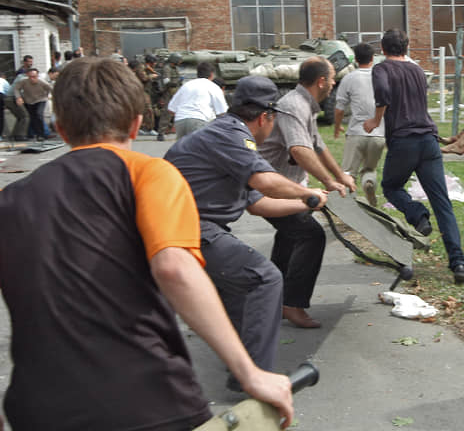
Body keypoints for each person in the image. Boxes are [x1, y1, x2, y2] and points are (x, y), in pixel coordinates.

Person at [0, 58, 295, 430]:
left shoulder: (10, 200)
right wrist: (250, 373)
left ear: (60, 129)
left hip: (38, 406)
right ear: (137, 124)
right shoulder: (151, 174)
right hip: (144, 395)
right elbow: (174, 268)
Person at [165, 75, 327, 387]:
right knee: (265, 278)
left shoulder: (227, 137)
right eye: (274, 120)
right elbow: (266, 182)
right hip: (187, 228)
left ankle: (242, 368)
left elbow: (260, 204)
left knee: (242, 288)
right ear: (266, 116)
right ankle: (258, 377)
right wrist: (304, 193)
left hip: (186, 226)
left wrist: (309, 204)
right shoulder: (231, 134)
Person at [363, 29, 464, 285]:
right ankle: (458, 263)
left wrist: (374, 121)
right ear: (406, 47)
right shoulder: (418, 71)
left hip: (403, 141)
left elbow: (384, 95)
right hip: (428, 142)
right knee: (443, 203)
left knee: (390, 186)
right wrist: (440, 138)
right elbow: (419, 107)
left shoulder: (381, 69)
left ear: (383, 49)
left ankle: (417, 215)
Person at [259, 57, 355, 328]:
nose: (334, 83)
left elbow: (318, 145)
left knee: (290, 236)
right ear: (321, 81)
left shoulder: (305, 106)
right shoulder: (293, 105)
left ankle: (275, 301)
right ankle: (293, 303)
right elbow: (299, 150)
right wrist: (327, 180)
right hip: (272, 186)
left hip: (284, 185)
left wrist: (340, 177)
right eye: (333, 78)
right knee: (310, 235)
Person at [333, 42, 386, 206]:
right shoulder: (381, 77)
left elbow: (339, 108)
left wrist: (337, 127)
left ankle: (348, 208)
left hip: (356, 132)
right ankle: (369, 183)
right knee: (369, 169)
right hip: (378, 134)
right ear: (373, 58)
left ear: (355, 59)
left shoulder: (349, 78)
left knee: (348, 173)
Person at [167, 61, 228, 139]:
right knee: (199, 149)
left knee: (183, 149)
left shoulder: (186, 85)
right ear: (212, 74)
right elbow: (222, 112)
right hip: (199, 121)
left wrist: (185, 115)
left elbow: (171, 109)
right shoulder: (213, 87)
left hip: (180, 121)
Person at [14, 67, 52, 141]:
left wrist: (49, 95)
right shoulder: (24, 81)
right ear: (27, 76)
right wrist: (18, 97)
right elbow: (16, 88)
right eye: (30, 77)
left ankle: (42, 134)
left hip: (41, 99)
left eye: (34, 77)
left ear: (37, 76)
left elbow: (51, 89)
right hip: (29, 101)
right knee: (33, 117)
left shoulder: (42, 82)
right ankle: (37, 134)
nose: (32, 79)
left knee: (39, 114)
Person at [157, 52, 182, 141]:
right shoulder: (167, 68)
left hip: (176, 93)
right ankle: (161, 133)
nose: (180, 62)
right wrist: (175, 83)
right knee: (167, 113)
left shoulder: (175, 68)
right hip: (168, 93)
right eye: (179, 60)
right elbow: (166, 82)